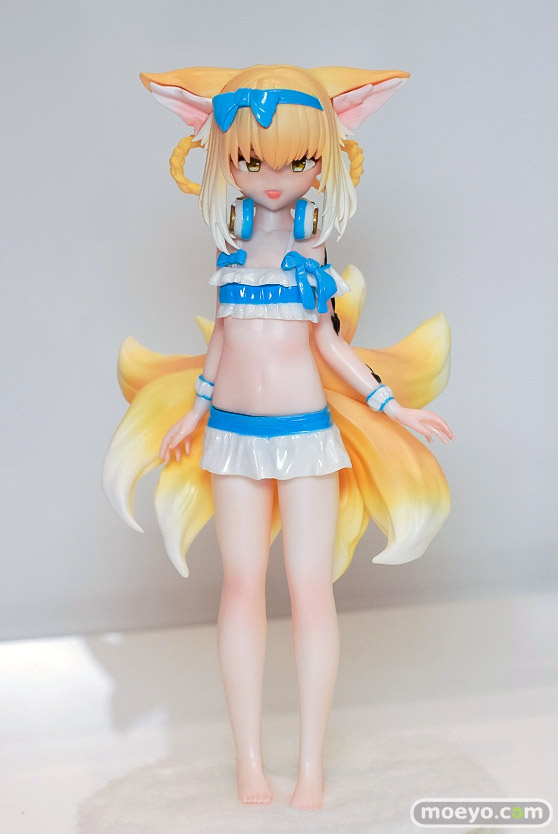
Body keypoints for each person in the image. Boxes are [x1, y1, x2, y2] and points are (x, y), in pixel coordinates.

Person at [102, 63, 454, 810]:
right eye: (252, 161)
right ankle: (250, 760)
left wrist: (391, 405)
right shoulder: (229, 255)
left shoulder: (312, 256)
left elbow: (328, 345)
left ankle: (312, 764)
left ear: (324, 161)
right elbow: (223, 342)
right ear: (225, 158)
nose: (273, 179)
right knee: (239, 586)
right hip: (230, 434)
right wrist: (195, 410)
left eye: (298, 162)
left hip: (306, 435)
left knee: (309, 588)